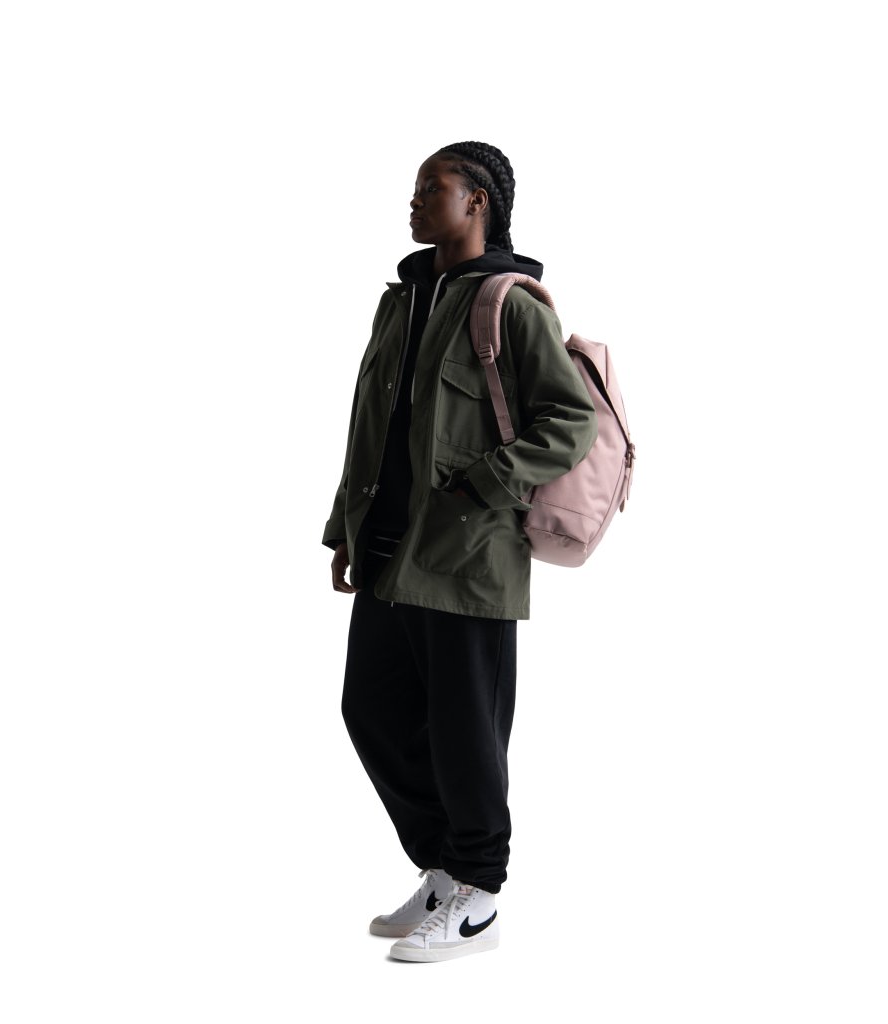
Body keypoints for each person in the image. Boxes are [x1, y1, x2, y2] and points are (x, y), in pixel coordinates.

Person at [323, 141, 597, 962]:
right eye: (414, 189)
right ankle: (444, 868)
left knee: (463, 730)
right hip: (388, 548)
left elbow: (570, 420)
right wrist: (343, 527)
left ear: (477, 201)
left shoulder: (511, 304)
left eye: (431, 188)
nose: (414, 201)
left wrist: (487, 483)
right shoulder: (402, 301)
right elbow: (368, 423)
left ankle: (479, 895)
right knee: (371, 711)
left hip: (467, 554)